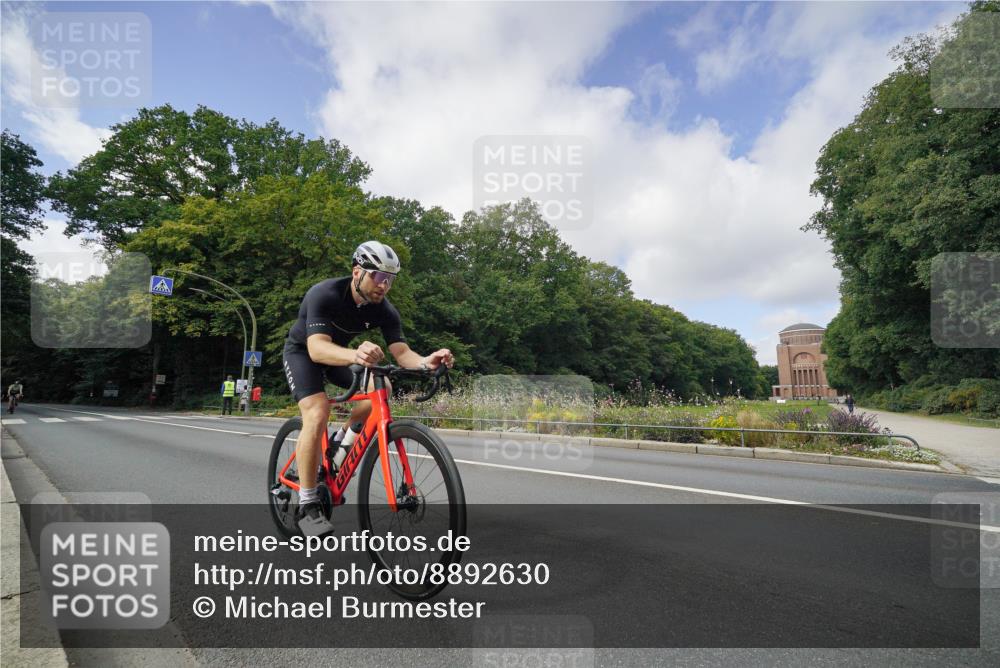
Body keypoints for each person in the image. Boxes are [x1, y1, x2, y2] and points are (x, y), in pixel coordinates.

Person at [282, 240, 453, 536]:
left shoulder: (384, 309)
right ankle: (307, 504)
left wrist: (427, 362)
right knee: (317, 411)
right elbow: (317, 348)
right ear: (357, 272)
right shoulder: (324, 294)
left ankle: (339, 440)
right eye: (378, 276)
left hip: (339, 356)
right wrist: (356, 355)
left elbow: (402, 354)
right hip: (305, 353)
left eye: (390, 279)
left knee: (382, 386)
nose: (384, 285)